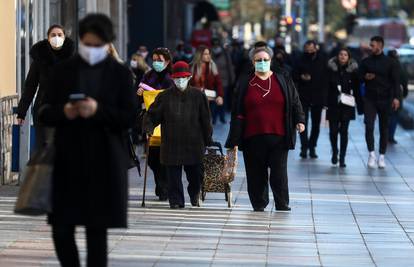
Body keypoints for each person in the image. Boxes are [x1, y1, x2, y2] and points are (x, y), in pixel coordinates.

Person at [38, 14, 137, 267]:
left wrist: (98, 111)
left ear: (107, 43)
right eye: (87, 44)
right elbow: (44, 110)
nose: (91, 50)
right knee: (61, 229)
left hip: (103, 161)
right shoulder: (63, 71)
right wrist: (65, 112)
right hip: (67, 161)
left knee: (96, 233)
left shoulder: (120, 74)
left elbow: (128, 117)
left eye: (97, 45)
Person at [225, 46, 305, 212]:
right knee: (255, 173)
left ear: (271, 61)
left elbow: (295, 101)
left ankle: (282, 203)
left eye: (265, 60)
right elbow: (237, 111)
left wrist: (300, 120)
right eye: (258, 60)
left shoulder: (282, 78)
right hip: (252, 136)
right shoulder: (245, 82)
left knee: (279, 173)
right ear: (253, 62)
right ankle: (259, 203)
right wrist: (233, 138)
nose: (262, 63)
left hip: (279, 135)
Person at [144, 61, 212, 209]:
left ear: (189, 77)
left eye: (183, 77)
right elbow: (152, 115)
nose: (180, 81)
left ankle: (195, 193)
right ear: (172, 79)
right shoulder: (164, 96)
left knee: (196, 175)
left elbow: (206, 120)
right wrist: (148, 128)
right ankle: (176, 201)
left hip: (193, 143)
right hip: (171, 142)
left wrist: (208, 139)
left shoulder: (198, 96)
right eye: (177, 78)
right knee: (173, 177)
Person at [16, 24, 75, 150]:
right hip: (43, 109)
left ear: (65, 38)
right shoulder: (40, 60)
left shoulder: (72, 60)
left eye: (60, 35)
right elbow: (30, 87)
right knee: (44, 146)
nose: (56, 37)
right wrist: (21, 112)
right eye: (53, 35)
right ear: (48, 38)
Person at [137, 47, 174, 201]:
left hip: (167, 122)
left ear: (167, 61)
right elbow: (140, 95)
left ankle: (164, 186)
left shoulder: (171, 78)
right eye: (155, 59)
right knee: (152, 158)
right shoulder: (148, 76)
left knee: (165, 156)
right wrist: (140, 93)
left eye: (160, 60)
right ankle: (160, 182)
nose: (157, 62)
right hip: (151, 120)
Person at [359, 36, 401, 168]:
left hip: (386, 98)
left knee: (384, 128)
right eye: (370, 45)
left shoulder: (390, 62)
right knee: (369, 126)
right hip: (370, 98)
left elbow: (396, 82)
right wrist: (365, 77)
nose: (370, 47)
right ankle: (371, 154)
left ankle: (382, 156)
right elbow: (358, 78)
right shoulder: (366, 62)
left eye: (373, 45)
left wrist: (396, 98)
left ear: (380, 46)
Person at [293, 40, 329, 159]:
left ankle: (312, 146)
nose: (309, 51)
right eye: (306, 49)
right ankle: (304, 147)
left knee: (316, 124)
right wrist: (301, 77)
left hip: (318, 96)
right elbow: (294, 74)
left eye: (311, 49)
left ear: (316, 48)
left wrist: (325, 98)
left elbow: (326, 79)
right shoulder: (299, 59)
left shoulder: (322, 59)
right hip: (303, 96)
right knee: (303, 123)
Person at [327, 48, 362, 167]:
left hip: (347, 104)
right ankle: (334, 151)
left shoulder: (354, 71)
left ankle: (342, 157)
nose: (342, 56)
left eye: (345, 55)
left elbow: (357, 88)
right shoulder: (330, 69)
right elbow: (325, 87)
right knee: (333, 131)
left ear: (349, 57)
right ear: (337, 56)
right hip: (333, 104)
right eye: (340, 54)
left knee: (344, 131)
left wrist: (360, 105)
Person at [190, 45, 224, 124]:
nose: (208, 56)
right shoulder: (192, 67)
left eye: (209, 54)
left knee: (206, 123)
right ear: (199, 55)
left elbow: (218, 83)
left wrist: (220, 95)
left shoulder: (212, 66)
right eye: (205, 54)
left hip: (209, 100)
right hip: (194, 99)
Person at [387, 49, 408, 144]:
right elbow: (404, 81)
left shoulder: (384, 65)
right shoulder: (400, 66)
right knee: (395, 115)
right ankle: (391, 136)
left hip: (385, 94)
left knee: (386, 116)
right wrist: (405, 93)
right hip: (397, 94)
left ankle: (385, 135)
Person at [211, 38, 234, 123]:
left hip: (224, 81)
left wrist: (232, 79)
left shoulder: (225, 53)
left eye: (217, 45)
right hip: (212, 81)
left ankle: (222, 117)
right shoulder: (210, 54)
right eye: (214, 45)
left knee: (222, 99)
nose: (216, 47)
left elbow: (229, 66)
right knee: (213, 100)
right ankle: (214, 117)